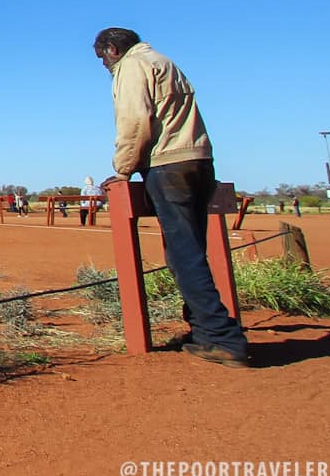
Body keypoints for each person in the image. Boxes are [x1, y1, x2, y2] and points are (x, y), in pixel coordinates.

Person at [93, 27, 248, 368]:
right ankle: (205, 334)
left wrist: (123, 168)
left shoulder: (132, 67)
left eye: (101, 57)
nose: (103, 65)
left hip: (168, 165)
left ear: (113, 49)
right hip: (199, 161)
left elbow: (136, 120)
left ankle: (224, 338)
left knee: (185, 254)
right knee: (189, 252)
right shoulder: (165, 62)